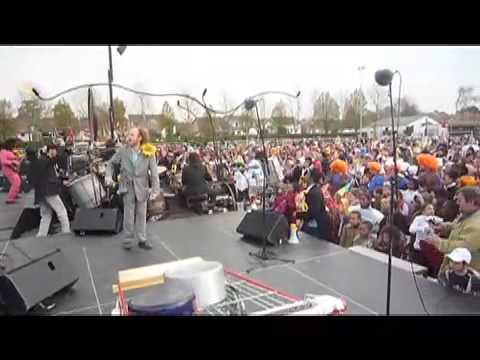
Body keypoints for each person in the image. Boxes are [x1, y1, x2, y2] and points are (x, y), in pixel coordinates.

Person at [106, 128, 160, 250]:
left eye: (132, 135)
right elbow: (110, 164)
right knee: (128, 215)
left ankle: (142, 239)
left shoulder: (149, 151)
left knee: (142, 214)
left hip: (142, 186)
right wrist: (108, 176)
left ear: (139, 138)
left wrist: (155, 190)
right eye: (128, 134)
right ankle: (127, 240)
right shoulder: (123, 151)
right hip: (127, 186)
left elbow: (154, 173)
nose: (128, 137)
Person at [428, 186, 480, 272]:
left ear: (472, 202)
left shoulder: (477, 227)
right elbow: (457, 225)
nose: (457, 203)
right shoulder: (467, 214)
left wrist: (438, 242)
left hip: (465, 276)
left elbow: (461, 249)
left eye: (460, 200)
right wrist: (444, 227)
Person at [34, 144, 71, 237]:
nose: (56, 153)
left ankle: (41, 235)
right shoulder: (45, 161)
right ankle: (66, 232)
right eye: (55, 150)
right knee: (61, 210)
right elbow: (49, 178)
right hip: (49, 190)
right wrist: (61, 183)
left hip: (41, 192)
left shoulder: (43, 160)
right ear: (50, 151)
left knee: (46, 214)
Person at [301, 169, 331, 241]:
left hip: (315, 227)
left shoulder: (315, 192)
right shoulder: (313, 190)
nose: (305, 176)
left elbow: (313, 212)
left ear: (311, 178)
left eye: (307, 175)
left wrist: (299, 215)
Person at [0, 138, 21, 204]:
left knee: (16, 182)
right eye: (14, 144)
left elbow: (13, 158)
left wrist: (17, 158)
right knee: (16, 182)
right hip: (8, 169)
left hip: (11, 169)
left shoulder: (8, 151)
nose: (15, 146)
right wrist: (12, 162)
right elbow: (3, 161)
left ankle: (14, 194)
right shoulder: (3, 152)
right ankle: (10, 198)